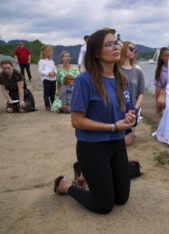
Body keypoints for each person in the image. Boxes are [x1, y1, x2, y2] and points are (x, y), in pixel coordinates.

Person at [53, 29, 136, 214]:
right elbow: (76, 121)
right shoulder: (84, 80)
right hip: (92, 146)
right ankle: (66, 186)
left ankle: (84, 174)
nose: (116, 47)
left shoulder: (122, 80)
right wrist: (113, 127)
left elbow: (128, 110)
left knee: (121, 198)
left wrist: (130, 117)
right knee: (104, 205)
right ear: (96, 53)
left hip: (116, 144)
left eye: (117, 43)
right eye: (109, 44)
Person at [119, 41, 145, 146]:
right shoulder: (114, 69)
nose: (134, 51)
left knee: (127, 142)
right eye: (131, 48)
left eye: (135, 50)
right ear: (123, 49)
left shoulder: (138, 71)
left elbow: (141, 92)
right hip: (117, 108)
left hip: (132, 110)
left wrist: (135, 108)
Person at [38, 45, 57, 111]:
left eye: (52, 52)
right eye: (50, 52)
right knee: (46, 94)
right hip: (46, 79)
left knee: (53, 93)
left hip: (53, 79)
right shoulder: (41, 61)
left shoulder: (52, 61)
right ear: (45, 53)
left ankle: (53, 104)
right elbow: (40, 70)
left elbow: (55, 69)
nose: (52, 53)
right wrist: (48, 73)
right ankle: (47, 105)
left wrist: (55, 72)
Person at [154, 47, 169, 116]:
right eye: (166, 55)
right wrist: (158, 108)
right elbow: (157, 90)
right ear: (161, 57)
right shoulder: (160, 71)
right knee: (161, 101)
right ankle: (168, 109)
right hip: (165, 93)